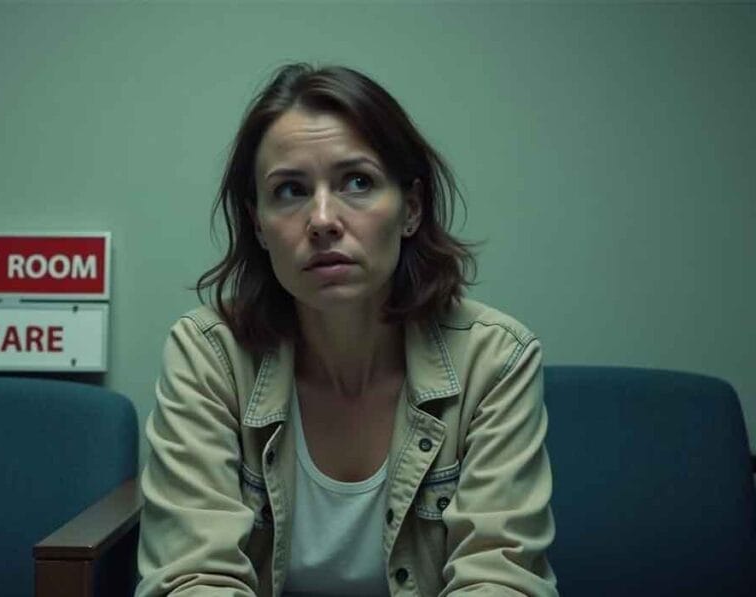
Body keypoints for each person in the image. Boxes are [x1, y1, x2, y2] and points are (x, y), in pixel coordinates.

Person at [136, 63, 557, 597]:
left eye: (358, 182)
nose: (323, 219)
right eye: (289, 190)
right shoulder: (210, 355)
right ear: (259, 225)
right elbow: (192, 578)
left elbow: (500, 580)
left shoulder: (494, 359)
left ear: (411, 208)